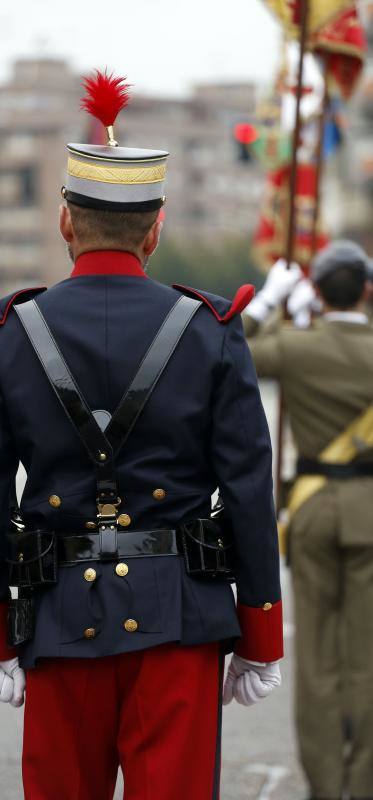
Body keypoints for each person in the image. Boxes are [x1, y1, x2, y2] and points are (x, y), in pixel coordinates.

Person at [0, 71, 283, 800]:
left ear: (65, 223)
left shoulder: (8, 333)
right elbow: (249, 488)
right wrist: (259, 629)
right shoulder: (210, 330)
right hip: (182, 621)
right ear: (155, 227)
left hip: (56, 616)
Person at [243, 242, 373, 800]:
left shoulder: (295, 347)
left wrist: (273, 301)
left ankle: (325, 786)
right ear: (367, 290)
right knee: (367, 655)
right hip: (370, 509)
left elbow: (231, 345)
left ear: (316, 291)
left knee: (317, 658)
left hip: (314, 509)